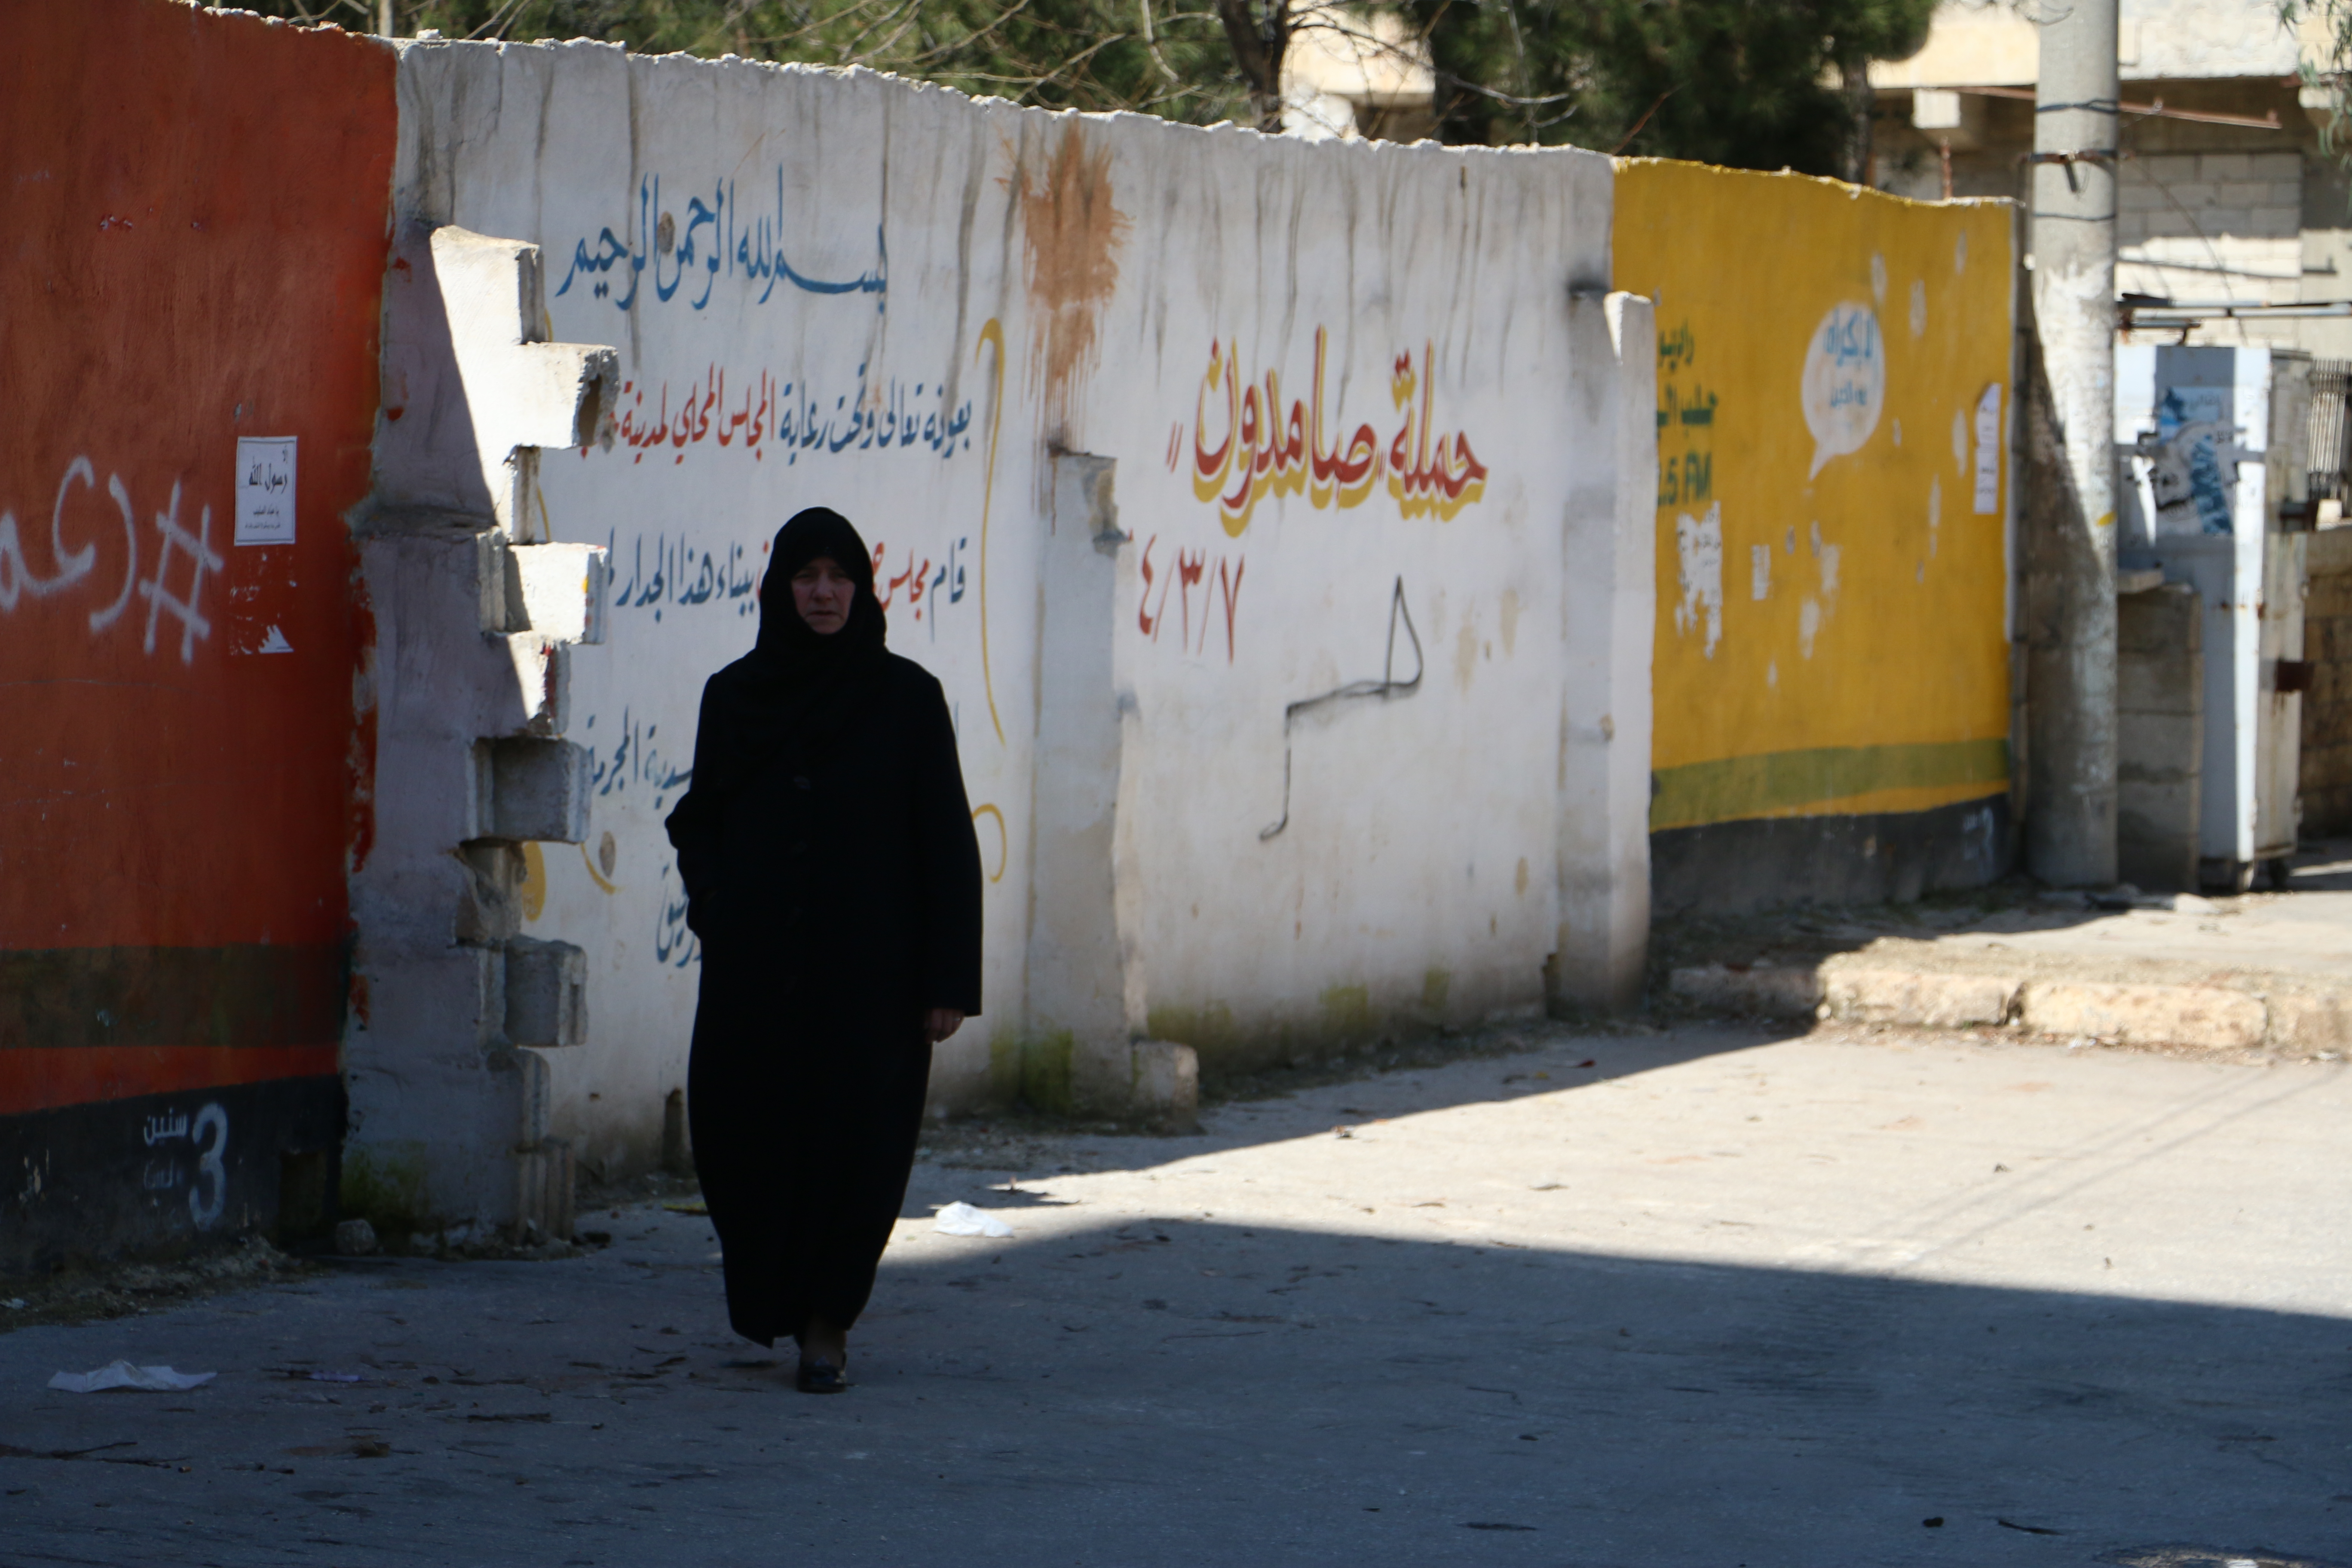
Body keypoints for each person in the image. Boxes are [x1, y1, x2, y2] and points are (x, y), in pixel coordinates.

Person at [664, 506, 983, 1394]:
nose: (824, 593)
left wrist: (948, 979)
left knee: (859, 1148)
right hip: (755, 970)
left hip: (873, 978)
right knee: (742, 1136)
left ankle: (827, 1323)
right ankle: (773, 1298)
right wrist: (718, 908)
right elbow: (702, 821)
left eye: (840, 576)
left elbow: (947, 843)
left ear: (864, 589)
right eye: (807, 576)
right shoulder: (735, 697)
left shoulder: (908, 700)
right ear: (779, 589)